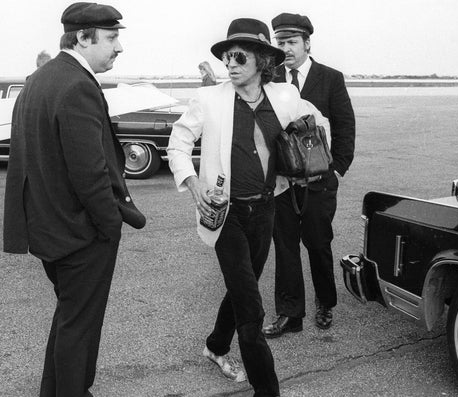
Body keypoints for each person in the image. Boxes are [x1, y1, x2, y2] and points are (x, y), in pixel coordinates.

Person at [167, 18, 329, 397]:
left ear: (261, 60)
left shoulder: (285, 96)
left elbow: (318, 123)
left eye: (239, 56)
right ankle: (267, 389)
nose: (231, 63)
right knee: (251, 309)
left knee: (243, 288)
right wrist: (193, 186)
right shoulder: (210, 99)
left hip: (267, 209)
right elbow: (178, 143)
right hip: (226, 216)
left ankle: (216, 346)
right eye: (227, 56)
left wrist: (311, 157)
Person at [3, 3, 145, 396]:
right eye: (112, 38)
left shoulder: (41, 78)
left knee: (70, 319)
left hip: (49, 228)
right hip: (79, 233)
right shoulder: (77, 84)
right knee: (80, 328)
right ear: (83, 38)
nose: (119, 47)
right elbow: (90, 171)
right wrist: (109, 227)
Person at [263, 13, 356, 338]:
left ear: (307, 43)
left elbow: (345, 125)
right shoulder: (269, 78)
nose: (285, 48)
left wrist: (337, 169)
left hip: (319, 181)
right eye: (280, 42)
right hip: (283, 183)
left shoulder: (330, 78)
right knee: (285, 245)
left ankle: (325, 304)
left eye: (291, 42)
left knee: (318, 243)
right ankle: (290, 314)